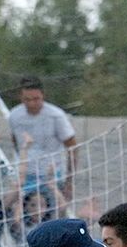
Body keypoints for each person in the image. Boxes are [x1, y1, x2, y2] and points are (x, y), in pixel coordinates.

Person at [7, 76, 78, 205]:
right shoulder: (14, 116)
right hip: (25, 177)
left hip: (51, 176)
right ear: (21, 97)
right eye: (27, 99)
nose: (32, 104)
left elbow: (72, 147)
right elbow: (15, 142)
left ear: (43, 96)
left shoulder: (56, 116)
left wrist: (69, 180)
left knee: (54, 213)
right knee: (18, 213)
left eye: (36, 99)